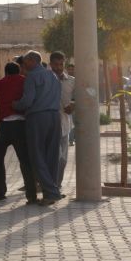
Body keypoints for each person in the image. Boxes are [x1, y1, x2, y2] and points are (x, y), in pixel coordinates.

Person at [0, 62, 37, 203]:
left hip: (4, 126)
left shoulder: (0, 82)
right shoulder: (25, 81)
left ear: (6, 72)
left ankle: (0, 192)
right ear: (19, 72)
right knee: (24, 160)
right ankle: (31, 195)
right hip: (20, 125)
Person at [13, 50, 62, 206]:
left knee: (37, 156)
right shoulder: (53, 76)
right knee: (52, 156)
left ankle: (52, 192)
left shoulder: (32, 76)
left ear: (32, 60)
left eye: (25, 61)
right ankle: (50, 193)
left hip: (38, 117)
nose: (23, 64)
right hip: (55, 117)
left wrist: (15, 104)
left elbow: (28, 101)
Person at [49, 51, 75, 189]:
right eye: (56, 64)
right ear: (51, 64)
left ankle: (56, 185)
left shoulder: (71, 81)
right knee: (54, 158)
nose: (58, 67)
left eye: (61, 64)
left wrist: (73, 105)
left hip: (64, 124)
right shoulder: (45, 79)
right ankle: (51, 186)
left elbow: (79, 97)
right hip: (48, 125)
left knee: (63, 159)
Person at [66, 63, 76, 146]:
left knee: (76, 122)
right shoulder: (66, 79)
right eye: (69, 69)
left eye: (72, 69)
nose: (71, 71)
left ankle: (73, 138)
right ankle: (71, 140)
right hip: (68, 104)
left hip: (76, 104)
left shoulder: (76, 80)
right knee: (70, 122)